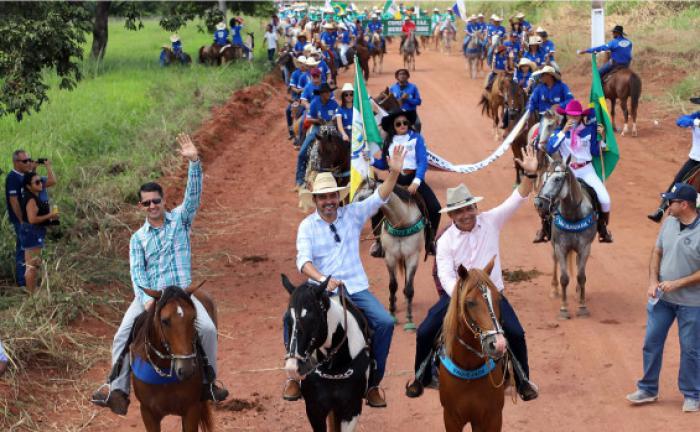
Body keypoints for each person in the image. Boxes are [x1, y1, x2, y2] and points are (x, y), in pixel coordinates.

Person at [90, 134, 228, 415]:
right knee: (121, 336)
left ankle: (209, 381)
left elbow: (193, 196)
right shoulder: (137, 239)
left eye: (156, 201)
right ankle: (117, 388)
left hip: (180, 296)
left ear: (165, 201)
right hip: (151, 298)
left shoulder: (181, 219)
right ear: (140, 207)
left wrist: (194, 162)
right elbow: (136, 274)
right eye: (146, 203)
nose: (152, 206)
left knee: (208, 329)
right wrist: (146, 302)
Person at [404, 146, 541, 402]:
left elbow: (517, 198)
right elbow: (445, 276)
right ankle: (420, 377)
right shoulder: (445, 241)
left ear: (474, 208)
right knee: (424, 332)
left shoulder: (491, 221)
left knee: (516, 333)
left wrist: (530, 176)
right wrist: (463, 296)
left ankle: (523, 381)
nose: (466, 214)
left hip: (493, 295)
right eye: (459, 211)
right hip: (457, 297)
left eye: (469, 208)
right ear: (452, 215)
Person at [282, 146, 408, 407]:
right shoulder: (307, 226)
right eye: (322, 197)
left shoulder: (352, 214)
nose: (328, 201)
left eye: (332, 196)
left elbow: (379, 197)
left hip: (355, 287)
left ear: (338, 197)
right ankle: (294, 374)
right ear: (315, 200)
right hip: (320, 290)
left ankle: (372, 382)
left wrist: (394, 173)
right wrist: (322, 280)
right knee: (289, 318)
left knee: (384, 322)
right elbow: (302, 262)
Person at [626, 183, 700, 413]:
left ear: (684, 204)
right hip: (662, 301)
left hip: (692, 304)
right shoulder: (668, 223)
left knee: (690, 349)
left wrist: (677, 283)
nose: (667, 205)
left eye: (672, 201)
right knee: (651, 342)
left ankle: (692, 394)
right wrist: (651, 281)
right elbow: (657, 251)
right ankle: (648, 388)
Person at [370, 109, 441, 257]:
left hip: (413, 178)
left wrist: (416, 181)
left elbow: (422, 162)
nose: (402, 125)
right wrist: (370, 159)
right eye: (398, 123)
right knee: (375, 206)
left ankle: (430, 241)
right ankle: (378, 242)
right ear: (393, 126)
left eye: (405, 123)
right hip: (393, 181)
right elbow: (384, 164)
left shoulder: (416, 138)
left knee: (435, 207)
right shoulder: (388, 142)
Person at [541, 99, 614, 243]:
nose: (573, 119)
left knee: (605, 200)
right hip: (566, 172)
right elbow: (550, 149)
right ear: (566, 116)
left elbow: (594, 151)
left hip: (586, 170)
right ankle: (544, 228)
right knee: (546, 196)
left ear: (581, 116)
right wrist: (563, 132)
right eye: (570, 116)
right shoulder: (559, 132)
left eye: (576, 116)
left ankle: (602, 229)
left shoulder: (590, 130)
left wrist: (603, 137)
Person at [5, 151, 56, 288]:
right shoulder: (13, 177)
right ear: (16, 163)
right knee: (24, 250)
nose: (29, 162)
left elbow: (49, 182)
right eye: (25, 161)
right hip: (23, 221)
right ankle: (24, 283)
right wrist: (22, 220)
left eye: (29, 160)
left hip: (30, 220)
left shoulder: (28, 177)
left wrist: (37, 169)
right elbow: (14, 200)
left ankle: (30, 283)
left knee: (30, 252)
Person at [648, 99, 700, 222]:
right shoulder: (696, 117)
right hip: (695, 159)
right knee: (677, 182)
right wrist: (695, 122)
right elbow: (680, 121)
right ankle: (661, 210)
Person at [295, 83, 339, 190]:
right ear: (321, 94)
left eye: (329, 92)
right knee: (302, 152)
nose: (329, 94)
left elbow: (338, 116)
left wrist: (333, 121)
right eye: (326, 92)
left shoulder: (334, 104)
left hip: (331, 127)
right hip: (317, 127)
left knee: (343, 144)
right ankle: (299, 180)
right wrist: (317, 120)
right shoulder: (315, 103)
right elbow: (308, 119)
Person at [20, 171, 59, 292]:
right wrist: (49, 215)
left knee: (31, 264)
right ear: (28, 186)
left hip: (30, 231)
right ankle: (32, 296)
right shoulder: (31, 199)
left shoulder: (31, 195)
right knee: (32, 265)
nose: (40, 184)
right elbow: (32, 219)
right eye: (37, 182)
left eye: (40, 181)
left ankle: (32, 292)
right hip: (33, 232)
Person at [527, 65, 575, 143]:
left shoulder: (562, 87)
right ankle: (539, 144)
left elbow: (570, 100)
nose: (541, 77)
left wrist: (560, 105)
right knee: (542, 131)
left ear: (550, 76)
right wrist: (529, 109)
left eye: (543, 75)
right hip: (544, 115)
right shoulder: (538, 89)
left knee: (572, 127)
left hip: (560, 116)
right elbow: (532, 102)